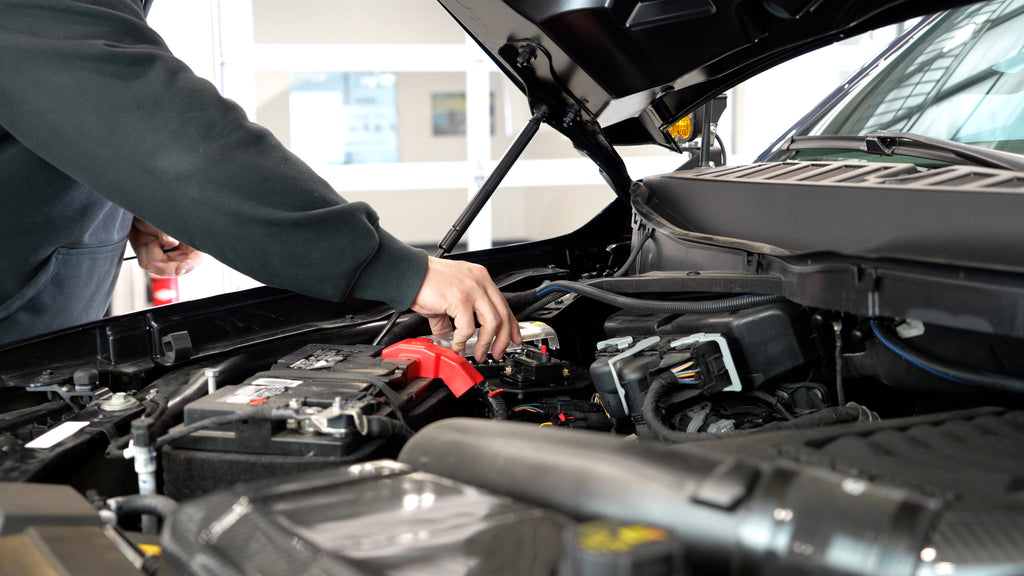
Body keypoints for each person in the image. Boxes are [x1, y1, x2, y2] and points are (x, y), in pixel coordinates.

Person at [0, 0, 520, 359]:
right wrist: (400, 271)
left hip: (42, 343)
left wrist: (125, 200)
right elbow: (160, 129)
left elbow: (75, 115)